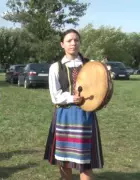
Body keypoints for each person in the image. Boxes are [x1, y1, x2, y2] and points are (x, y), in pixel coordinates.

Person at [43, 29, 104, 180]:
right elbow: (55, 96)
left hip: (86, 116)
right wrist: (72, 98)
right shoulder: (55, 67)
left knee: (85, 163)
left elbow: (99, 87)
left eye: (76, 40)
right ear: (62, 44)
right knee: (64, 161)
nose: (73, 43)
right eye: (69, 40)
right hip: (65, 116)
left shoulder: (90, 65)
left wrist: (101, 99)